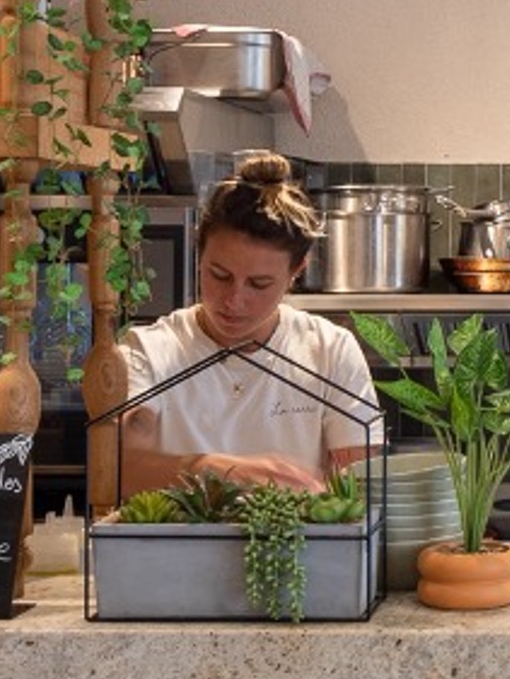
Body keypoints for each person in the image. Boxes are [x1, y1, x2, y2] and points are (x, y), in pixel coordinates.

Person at [115, 152, 377, 494]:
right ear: (199, 255)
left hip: (294, 545)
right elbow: (121, 470)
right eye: (219, 275)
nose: (234, 300)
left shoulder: (329, 351)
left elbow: (364, 487)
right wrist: (218, 471)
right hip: (176, 547)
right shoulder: (149, 351)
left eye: (259, 284)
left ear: (296, 272)